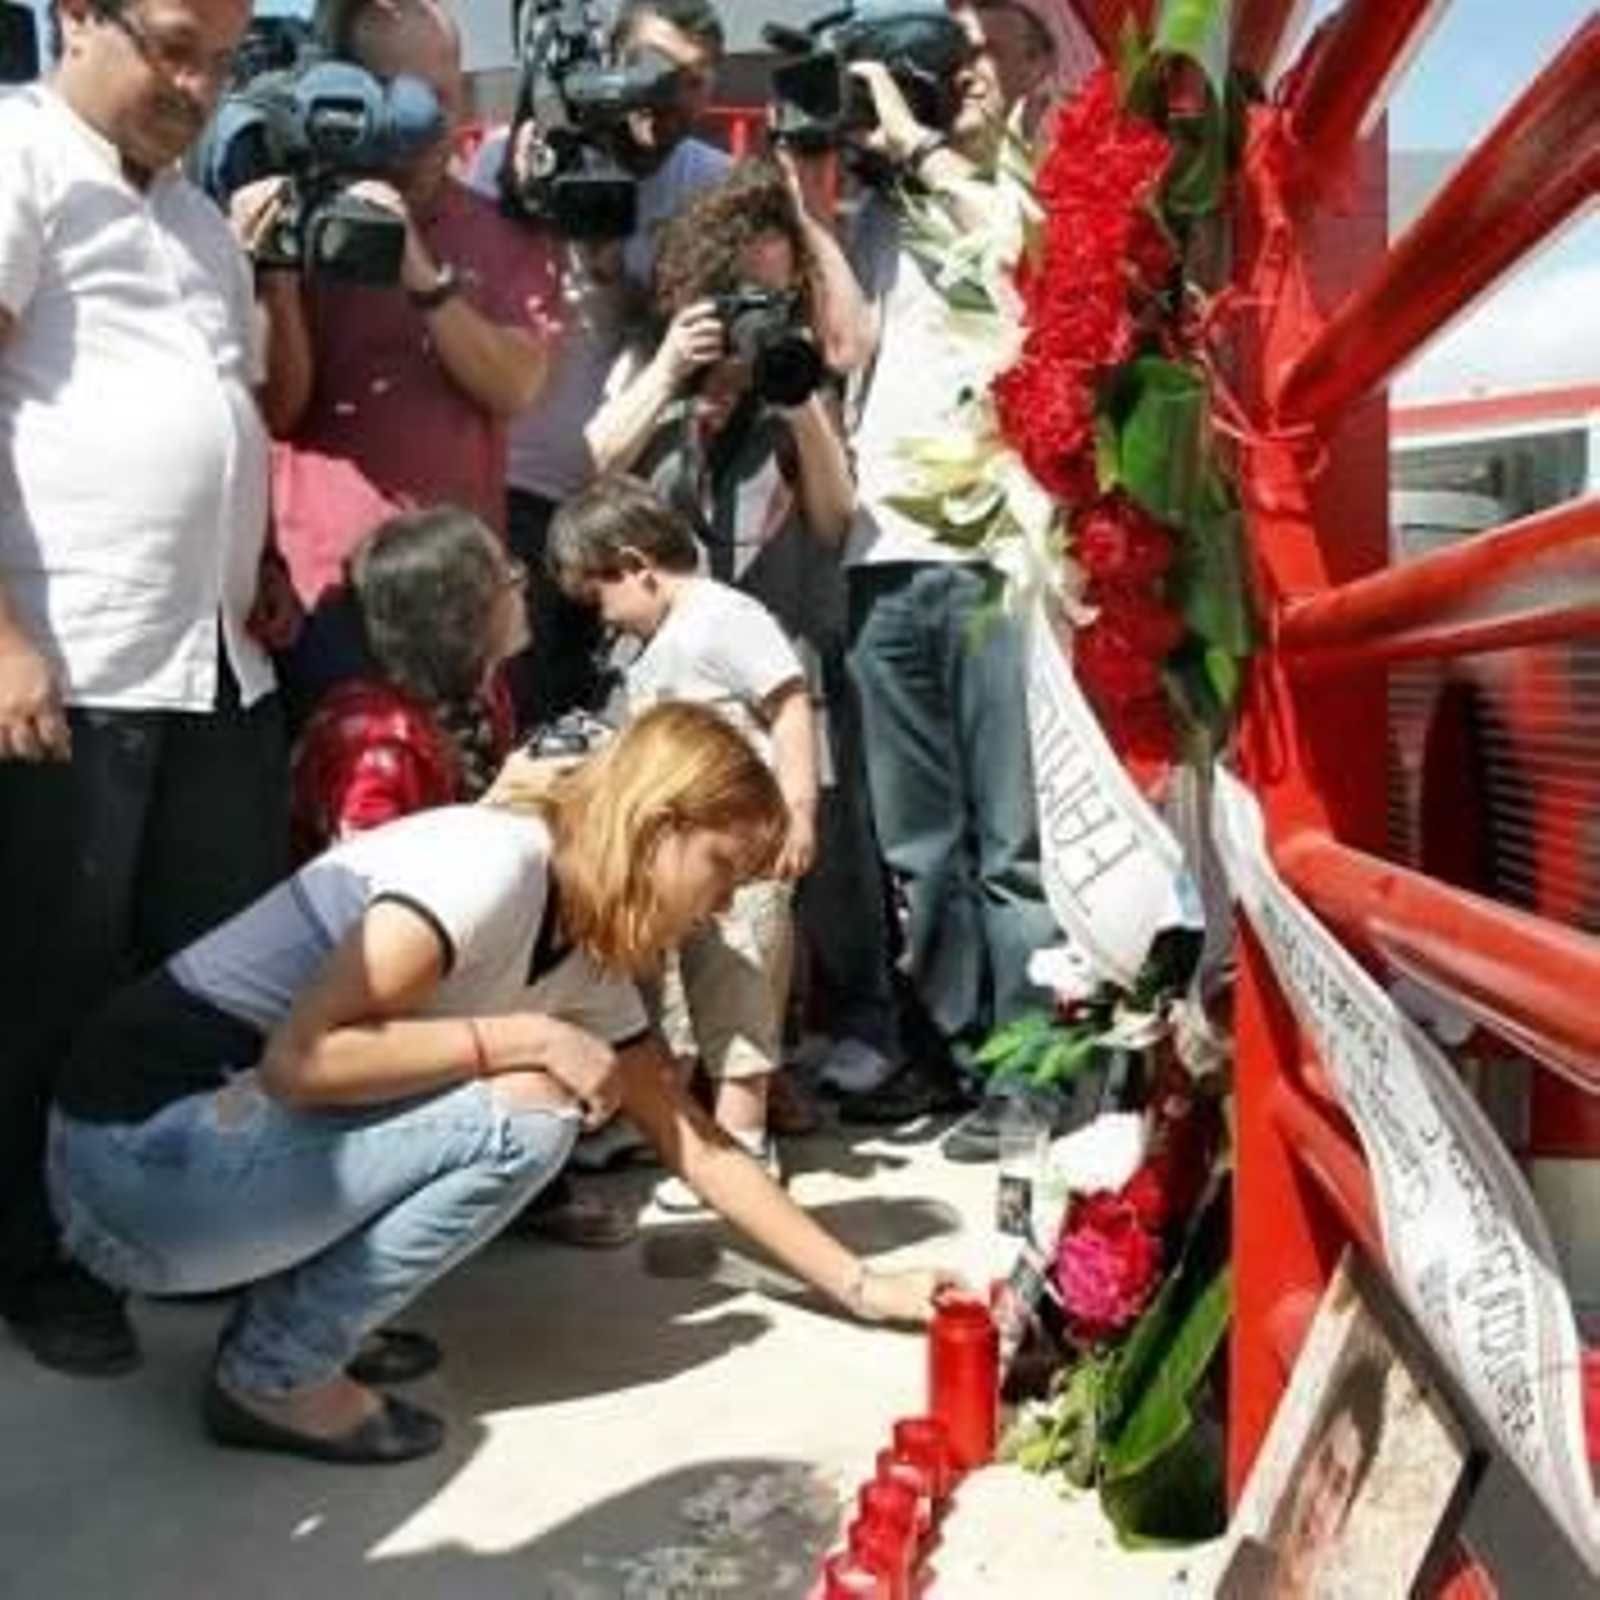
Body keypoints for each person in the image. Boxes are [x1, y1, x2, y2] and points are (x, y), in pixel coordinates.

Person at [47, 702, 949, 1463]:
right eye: (722, 870)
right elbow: (301, 1062)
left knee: (531, 1082)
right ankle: (276, 1372)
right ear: (660, 824)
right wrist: (525, 1035)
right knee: (534, 1108)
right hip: (130, 1173)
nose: (718, 906)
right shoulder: (492, 865)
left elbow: (700, 1148)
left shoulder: (585, 956)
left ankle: (298, 1328)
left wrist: (864, 1287)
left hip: (197, 1165)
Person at [0, 0, 291, 1377]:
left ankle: (169, 1235)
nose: (196, 81)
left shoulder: (192, 218)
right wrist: (0, 637)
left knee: (204, 987)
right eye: (174, 44)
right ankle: (33, 1260)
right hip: (74, 660)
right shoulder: (18, 159)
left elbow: (234, 411)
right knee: (47, 981)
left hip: (214, 660)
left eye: (222, 57)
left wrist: (262, 560)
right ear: (77, 18)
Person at [585, 155, 904, 1099]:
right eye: (746, 298)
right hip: (665, 680)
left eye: (779, 295)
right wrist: (672, 373)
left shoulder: (791, 382)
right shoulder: (656, 371)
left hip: (783, 661)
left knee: (823, 857)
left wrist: (797, 393)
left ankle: (852, 1024)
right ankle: (675, 1054)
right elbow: (590, 464)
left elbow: (838, 521)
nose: (763, 314)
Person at [825, 1, 1070, 1159]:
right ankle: (953, 1054)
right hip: (880, 550)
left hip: (989, 556)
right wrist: (805, 171)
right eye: (945, 49)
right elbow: (839, 345)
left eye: (979, 45)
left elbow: (1022, 257)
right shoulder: (880, 208)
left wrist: (918, 147)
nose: (956, 69)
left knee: (1010, 843)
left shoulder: (1042, 179)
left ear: (1035, 61)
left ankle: (1031, 1077)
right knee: (917, 846)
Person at [289, 503, 635, 1252]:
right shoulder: (375, 733)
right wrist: (501, 807)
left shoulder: (485, 697)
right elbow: (375, 893)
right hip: (366, 990)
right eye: (506, 576)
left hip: (455, 957)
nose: (523, 582)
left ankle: (524, 1167)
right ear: (459, 613)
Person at [252, 0, 560, 711]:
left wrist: (420, 274)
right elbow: (282, 410)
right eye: (399, 94)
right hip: (329, 590)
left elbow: (515, 385)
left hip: (459, 598)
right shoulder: (296, 220)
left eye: (444, 95)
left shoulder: (502, 233)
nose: (426, 121)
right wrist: (279, 277)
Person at [549, 478, 818, 1212]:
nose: (600, 614)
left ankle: (742, 1127)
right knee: (669, 987)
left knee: (741, 974)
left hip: (744, 846)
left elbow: (789, 701)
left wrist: (797, 808)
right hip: (682, 861)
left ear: (637, 564)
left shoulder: (722, 616)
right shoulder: (654, 643)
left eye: (599, 592)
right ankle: (669, 1121)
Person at [1217, 1355, 1388, 1599]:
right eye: (1323, 1463)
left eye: (1338, 1487)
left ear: (1344, 1518)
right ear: (1308, 1461)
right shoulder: (1246, 1565)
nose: (1318, 1502)